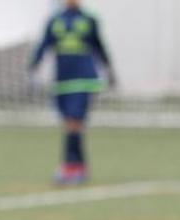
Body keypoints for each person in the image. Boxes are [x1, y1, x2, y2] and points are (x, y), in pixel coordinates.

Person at [28, 0, 116, 185]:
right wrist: (33, 66)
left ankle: (70, 166)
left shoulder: (88, 20)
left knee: (74, 122)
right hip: (62, 81)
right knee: (70, 124)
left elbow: (99, 46)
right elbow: (44, 44)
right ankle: (78, 166)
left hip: (83, 80)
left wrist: (109, 70)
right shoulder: (55, 20)